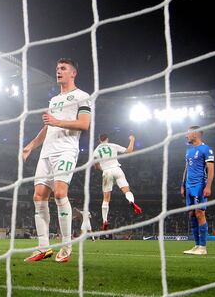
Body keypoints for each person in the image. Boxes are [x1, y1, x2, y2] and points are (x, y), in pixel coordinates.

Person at [21, 58, 91, 263]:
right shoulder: (54, 100)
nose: (58, 71)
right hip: (46, 153)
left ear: (73, 73)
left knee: (60, 194)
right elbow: (47, 127)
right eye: (57, 68)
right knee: (38, 197)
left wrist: (56, 121)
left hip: (66, 150)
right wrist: (31, 145)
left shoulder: (82, 96)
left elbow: (84, 124)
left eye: (63, 68)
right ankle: (43, 248)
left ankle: (66, 246)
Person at [93, 133, 142, 231]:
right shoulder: (113, 145)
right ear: (107, 139)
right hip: (117, 169)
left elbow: (96, 166)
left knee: (106, 198)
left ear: (99, 140)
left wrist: (103, 168)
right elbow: (129, 151)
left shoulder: (96, 151)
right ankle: (131, 201)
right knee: (127, 191)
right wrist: (132, 139)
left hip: (106, 172)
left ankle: (105, 221)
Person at [181, 125, 214, 256]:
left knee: (200, 213)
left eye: (188, 133)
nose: (186, 135)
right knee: (191, 215)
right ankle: (196, 245)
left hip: (199, 185)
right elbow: (186, 168)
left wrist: (208, 186)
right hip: (188, 186)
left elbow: (211, 169)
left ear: (195, 134)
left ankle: (203, 247)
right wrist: (182, 184)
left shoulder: (206, 149)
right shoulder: (188, 150)